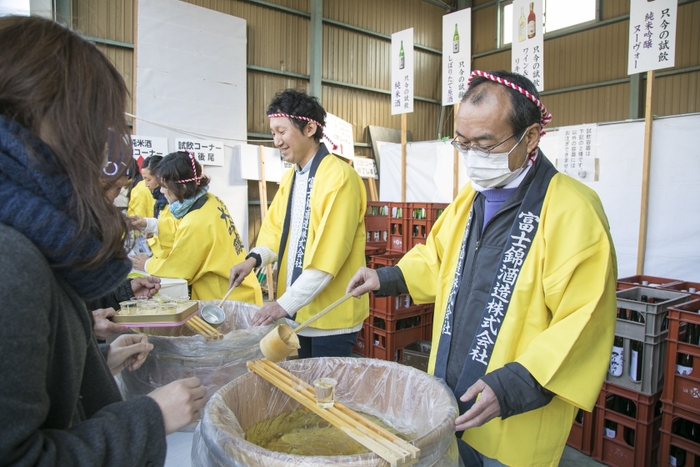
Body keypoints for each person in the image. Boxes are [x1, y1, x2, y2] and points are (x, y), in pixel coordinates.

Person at [347, 70, 618, 466]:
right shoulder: (470, 199)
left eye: (485, 144)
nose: (473, 156)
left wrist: (512, 386)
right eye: (463, 143)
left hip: (513, 415)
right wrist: (384, 277)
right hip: (450, 397)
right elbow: (437, 258)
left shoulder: (573, 209)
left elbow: (584, 318)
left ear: (530, 136)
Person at [0, 16, 206, 465]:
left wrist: (94, 362)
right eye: (94, 121)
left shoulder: (35, 237)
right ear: (48, 120)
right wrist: (150, 417)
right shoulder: (11, 262)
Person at [229, 89, 369, 358]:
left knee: (326, 394)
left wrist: (282, 304)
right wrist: (252, 261)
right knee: (304, 391)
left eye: (282, 131)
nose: (276, 141)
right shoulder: (292, 178)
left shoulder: (339, 177)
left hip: (331, 316)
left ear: (310, 128)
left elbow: (329, 257)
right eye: (273, 133)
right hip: (300, 313)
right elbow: (275, 232)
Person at [131, 151, 263, 304]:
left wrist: (146, 264)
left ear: (182, 187)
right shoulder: (210, 200)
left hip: (225, 296)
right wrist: (149, 224)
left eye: (164, 186)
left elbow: (179, 268)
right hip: (240, 288)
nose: (161, 191)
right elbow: (179, 227)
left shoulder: (196, 221)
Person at [129, 155, 178, 260]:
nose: (146, 184)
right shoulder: (161, 202)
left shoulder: (173, 203)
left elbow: (175, 233)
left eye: (148, 179)